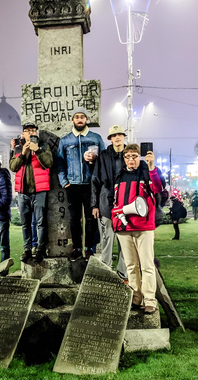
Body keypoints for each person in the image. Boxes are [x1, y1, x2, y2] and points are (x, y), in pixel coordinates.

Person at [111, 145, 164, 314]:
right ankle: (136, 297)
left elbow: (157, 188)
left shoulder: (147, 171)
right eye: (127, 156)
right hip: (124, 226)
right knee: (131, 265)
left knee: (147, 265)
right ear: (124, 158)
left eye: (134, 156)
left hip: (143, 225)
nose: (131, 159)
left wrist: (151, 167)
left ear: (139, 157)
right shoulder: (119, 175)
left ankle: (150, 300)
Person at [56, 108, 105, 261]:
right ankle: (77, 248)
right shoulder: (65, 140)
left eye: (82, 117)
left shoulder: (96, 138)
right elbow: (60, 163)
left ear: (86, 120)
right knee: (74, 218)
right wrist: (64, 182)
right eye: (77, 117)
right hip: (73, 185)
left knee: (91, 218)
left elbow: (103, 160)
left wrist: (98, 175)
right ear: (73, 120)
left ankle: (89, 248)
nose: (79, 120)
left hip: (91, 184)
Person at [11, 122, 53, 263]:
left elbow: (48, 163)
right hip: (23, 192)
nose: (31, 133)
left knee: (40, 222)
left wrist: (38, 150)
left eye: (33, 130)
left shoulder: (43, 145)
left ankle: (40, 250)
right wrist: (22, 153)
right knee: (26, 223)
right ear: (23, 134)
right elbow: (13, 167)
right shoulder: (18, 148)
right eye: (27, 131)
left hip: (39, 191)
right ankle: (27, 249)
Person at [92, 125, 127, 275]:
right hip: (106, 203)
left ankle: (123, 273)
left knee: (125, 242)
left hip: (126, 203)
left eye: (120, 134)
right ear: (110, 139)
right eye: (114, 135)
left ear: (124, 136)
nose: (117, 137)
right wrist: (94, 204)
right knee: (106, 240)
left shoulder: (130, 154)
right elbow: (95, 180)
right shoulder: (103, 156)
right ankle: (106, 271)